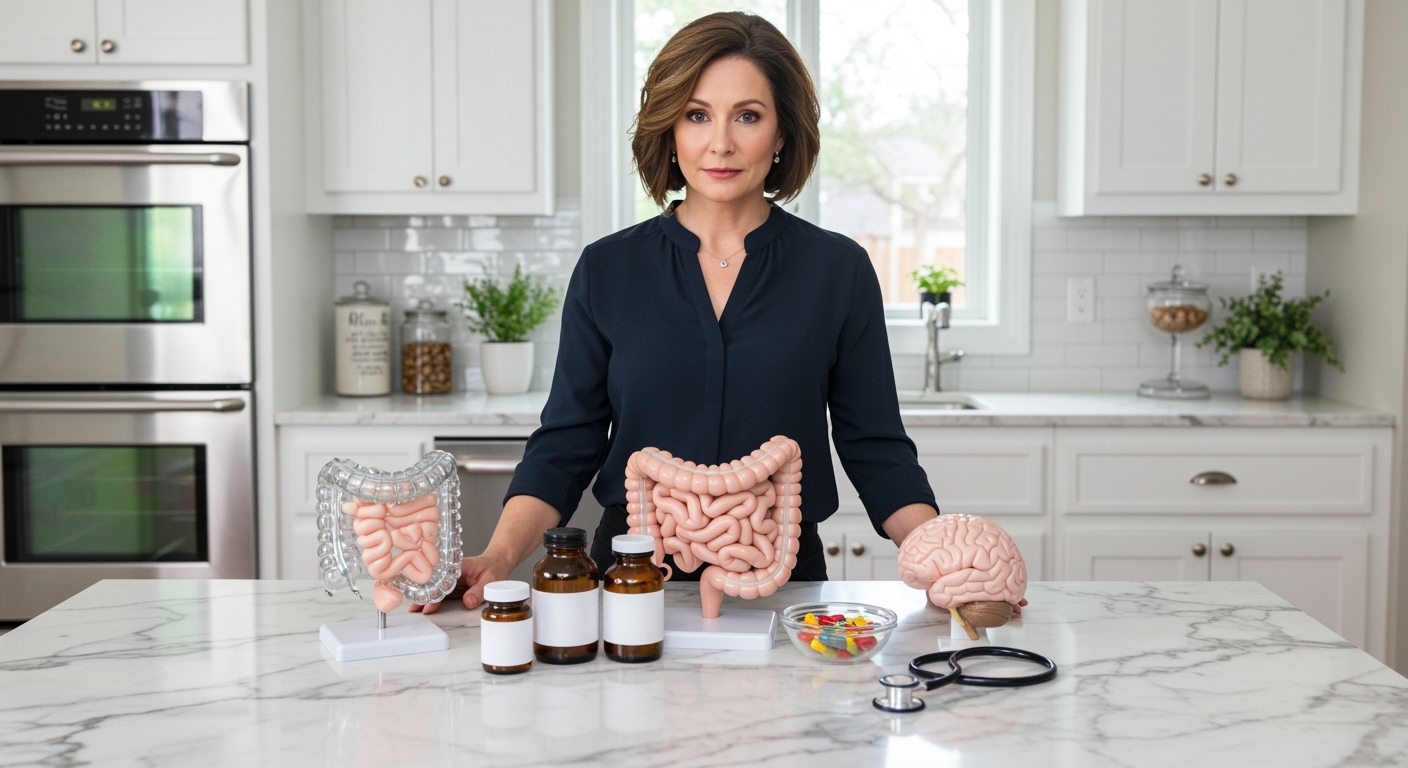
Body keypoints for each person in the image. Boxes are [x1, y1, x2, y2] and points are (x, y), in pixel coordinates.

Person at [418, 11, 938, 615]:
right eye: (697, 115)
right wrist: (499, 556)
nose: (720, 143)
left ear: (782, 135)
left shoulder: (837, 271)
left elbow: (875, 446)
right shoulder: (607, 269)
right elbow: (566, 441)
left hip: (786, 589)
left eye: (748, 115)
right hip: (631, 587)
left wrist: (942, 554)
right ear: (669, 131)